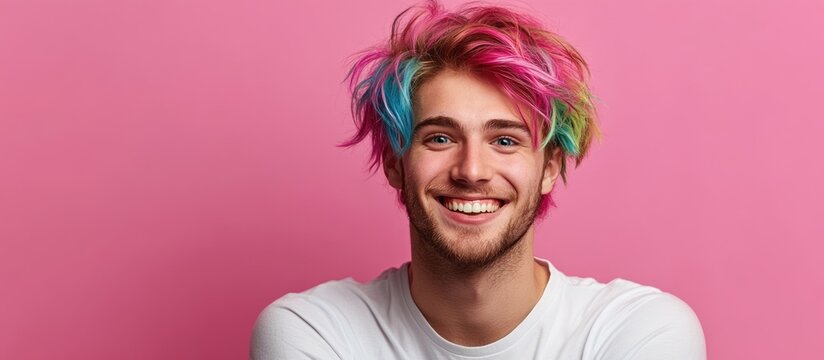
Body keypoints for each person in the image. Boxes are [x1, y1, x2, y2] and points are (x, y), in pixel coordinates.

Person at [251, 1, 706, 359]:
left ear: (548, 167)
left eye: (505, 141)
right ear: (395, 162)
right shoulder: (315, 331)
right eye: (441, 138)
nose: (471, 171)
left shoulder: (638, 330)